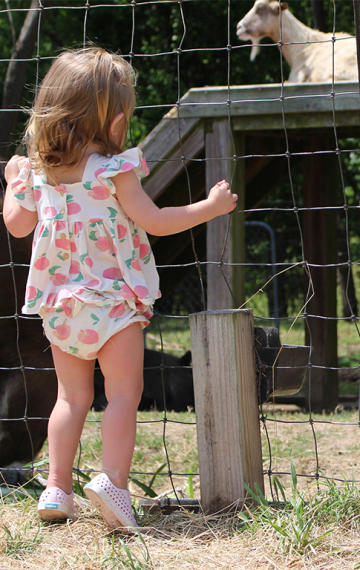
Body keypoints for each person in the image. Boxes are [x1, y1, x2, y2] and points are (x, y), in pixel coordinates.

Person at [2, 47, 237, 530]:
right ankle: (112, 483)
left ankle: (56, 487)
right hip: (114, 304)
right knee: (124, 395)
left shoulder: (37, 173)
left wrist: (11, 181)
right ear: (115, 122)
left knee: (71, 399)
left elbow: (17, 226)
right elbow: (154, 220)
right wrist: (208, 208)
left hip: (61, 307)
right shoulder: (114, 170)